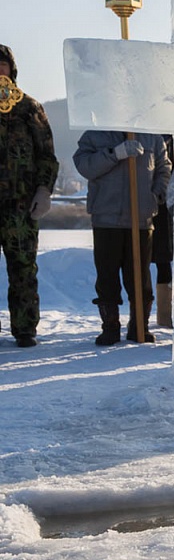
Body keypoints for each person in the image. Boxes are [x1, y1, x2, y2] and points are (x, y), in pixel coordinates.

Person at [74, 130, 171, 345]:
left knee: (139, 277)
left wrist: (155, 195)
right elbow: (85, 166)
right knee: (107, 276)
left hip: (141, 219)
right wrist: (114, 154)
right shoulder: (95, 135)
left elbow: (164, 167)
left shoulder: (150, 136)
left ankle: (139, 327)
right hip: (106, 218)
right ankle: (110, 326)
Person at [0, 44, 58, 348]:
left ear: (12, 69)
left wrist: (44, 189)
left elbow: (47, 156)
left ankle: (24, 328)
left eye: (3, 65)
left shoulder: (29, 108)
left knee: (23, 268)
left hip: (20, 206)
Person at [151, 134, 174, 328]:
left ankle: (173, 312)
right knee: (162, 259)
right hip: (159, 205)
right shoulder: (155, 138)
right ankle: (165, 314)